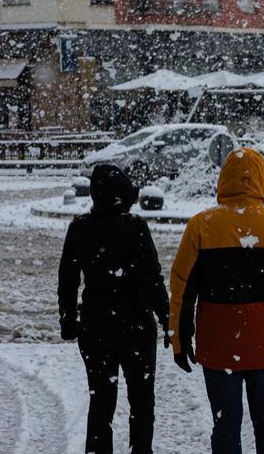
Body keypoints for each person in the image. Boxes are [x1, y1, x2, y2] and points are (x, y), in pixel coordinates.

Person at [169, 148, 264, 454]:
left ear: (224, 179)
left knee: (225, 423)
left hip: (219, 346)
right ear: (261, 180)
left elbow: (182, 290)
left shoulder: (201, 226)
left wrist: (180, 340)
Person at [59, 164, 169, 454]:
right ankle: (140, 450)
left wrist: (69, 320)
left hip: (95, 327)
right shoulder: (136, 228)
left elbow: (68, 280)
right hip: (136, 327)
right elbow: (151, 279)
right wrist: (167, 317)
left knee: (101, 403)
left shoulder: (79, 228)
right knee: (142, 402)